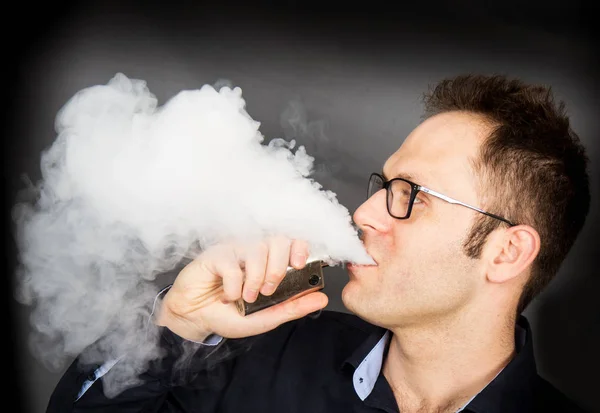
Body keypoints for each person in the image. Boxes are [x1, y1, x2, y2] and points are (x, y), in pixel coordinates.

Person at [46, 74, 591, 413]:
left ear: (506, 252)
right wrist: (177, 323)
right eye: (385, 186)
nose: (364, 213)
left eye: (413, 196)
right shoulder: (258, 360)